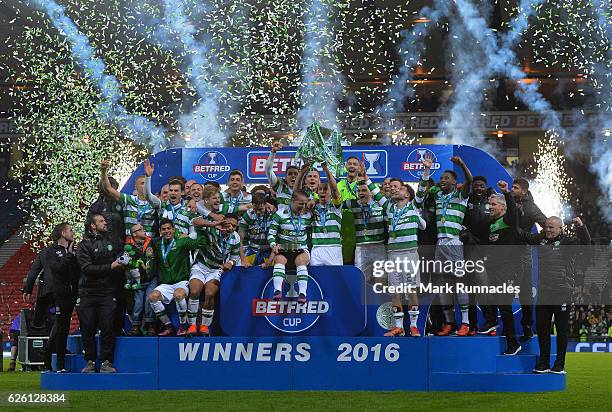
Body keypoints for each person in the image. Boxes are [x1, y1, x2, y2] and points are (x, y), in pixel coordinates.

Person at [364, 165, 427, 337]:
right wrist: (366, 177)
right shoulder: (389, 208)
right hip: (393, 254)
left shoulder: (414, 206)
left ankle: (413, 326)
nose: (395, 190)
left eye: (399, 188)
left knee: (412, 289)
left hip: (410, 253)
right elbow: (376, 194)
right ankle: (399, 326)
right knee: (395, 290)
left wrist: (426, 170)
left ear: (407, 194)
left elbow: (421, 189)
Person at [528, 217, 591, 374]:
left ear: (560, 229)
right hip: (543, 293)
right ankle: (543, 363)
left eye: (551, 227)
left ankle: (559, 364)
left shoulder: (568, 243)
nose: (548, 230)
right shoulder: (540, 240)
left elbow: (586, 244)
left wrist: (581, 227)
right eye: (546, 227)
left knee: (561, 330)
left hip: (562, 292)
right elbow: (524, 236)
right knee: (542, 329)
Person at [423, 155, 473, 336]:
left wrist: (462, 164)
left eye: (447, 178)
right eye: (441, 178)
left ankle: (465, 323)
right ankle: (449, 322)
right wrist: (427, 169)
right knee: (442, 284)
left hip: (453, 242)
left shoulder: (461, 195)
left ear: (455, 182)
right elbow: (425, 186)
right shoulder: (437, 194)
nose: (442, 180)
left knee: (459, 282)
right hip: (440, 243)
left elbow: (470, 180)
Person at [76, 213, 127, 373]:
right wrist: (110, 267)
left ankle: (106, 362)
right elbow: (86, 269)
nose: (105, 223)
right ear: (92, 225)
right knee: (87, 328)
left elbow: (121, 256)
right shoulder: (84, 245)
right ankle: (90, 361)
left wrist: (125, 259)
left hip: (107, 291)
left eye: (105, 221)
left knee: (107, 328)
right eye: (101, 221)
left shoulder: (113, 241)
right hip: (87, 292)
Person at [148, 218, 207, 336]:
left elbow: (200, 243)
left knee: (178, 295)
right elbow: (147, 242)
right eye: (163, 229)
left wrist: (199, 231)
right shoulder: (157, 244)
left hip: (181, 281)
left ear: (174, 230)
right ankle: (168, 326)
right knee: (153, 297)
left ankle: (183, 325)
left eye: (169, 228)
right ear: (160, 231)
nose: (166, 231)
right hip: (166, 283)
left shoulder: (182, 241)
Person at [484, 182, 522, 355]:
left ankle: (513, 343)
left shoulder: (508, 221)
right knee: (498, 303)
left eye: (493, 204)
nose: (490, 207)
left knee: (505, 308)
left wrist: (506, 193)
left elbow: (514, 213)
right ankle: (492, 323)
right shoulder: (492, 224)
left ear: (503, 207)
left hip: (507, 271)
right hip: (494, 271)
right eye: (489, 204)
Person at [188, 214, 241, 336]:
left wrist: (230, 263)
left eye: (234, 226)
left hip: (216, 269)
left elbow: (235, 256)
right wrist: (213, 224)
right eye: (229, 224)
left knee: (210, 293)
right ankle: (191, 325)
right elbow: (194, 221)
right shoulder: (212, 228)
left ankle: (205, 326)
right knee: (195, 291)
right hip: (200, 266)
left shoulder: (235, 238)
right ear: (223, 222)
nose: (231, 228)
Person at [512, 177, 547, 338]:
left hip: (523, 253)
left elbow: (547, 224)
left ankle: (527, 325)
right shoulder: (508, 201)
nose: (513, 189)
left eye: (516, 187)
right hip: (503, 252)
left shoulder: (531, 207)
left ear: (524, 191)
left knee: (525, 292)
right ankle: (498, 325)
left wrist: (533, 238)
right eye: (512, 187)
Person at [463, 176, 497, 335]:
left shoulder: (491, 200)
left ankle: (491, 322)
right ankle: (472, 325)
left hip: (487, 251)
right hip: (469, 249)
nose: (478, 188)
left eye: (482, 186)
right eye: (476, 186)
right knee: (471, 290)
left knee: (485, 288)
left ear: (486, 187)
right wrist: (467, 235)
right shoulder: (466, 200)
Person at [44, 223, 80, 372]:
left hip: (77, 293)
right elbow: (57, 269)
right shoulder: (52, 251)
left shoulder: (76, 249)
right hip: (62, 295)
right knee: (62, 328)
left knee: (87, 322)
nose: (73, 233)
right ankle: (58, 363)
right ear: (62, 233)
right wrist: (69, 255)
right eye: (70, 230)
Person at [267, 189, 313, 303]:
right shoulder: (280, 214)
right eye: (300, 203)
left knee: (301, 260)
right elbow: (271, 234)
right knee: (279, 259)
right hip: (284, 248)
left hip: (301, 248)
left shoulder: (308, 215)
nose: (303, 206)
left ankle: (302, 293)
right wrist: (273, 245)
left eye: (305, 203)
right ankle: (277, 291)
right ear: (292, 200)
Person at [342, 179, 386, 282]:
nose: (361, 193)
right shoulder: (352, 204)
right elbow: (336, 203)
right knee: (360, 281)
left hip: (378, 247)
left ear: (370, 192)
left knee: (380, 280)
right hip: (361, 248)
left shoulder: (380, 205)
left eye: (364, 190)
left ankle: (379, 298)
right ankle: (363, 298)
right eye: (359, 191)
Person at [100, 160, 157, 239]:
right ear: (135, 187)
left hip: (149, 244)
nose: (144, 186)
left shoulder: (154, 202)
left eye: (146, 183)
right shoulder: (129, 199)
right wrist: (103, 171)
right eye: (142, 183)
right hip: (131, 244)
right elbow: (108, 189)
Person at [144, 160, 194, 237]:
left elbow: (194, 233)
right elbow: (148, 196)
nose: (173, 193)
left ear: (183, 193)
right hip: (164, 246)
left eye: (176, 190)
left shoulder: (189, 208)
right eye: (171, 190)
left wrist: (188, 237)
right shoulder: (161, 206)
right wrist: (148, 177)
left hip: (182, 247)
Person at [125, 224, 158, 337]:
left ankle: (151, 325)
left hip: (151, 278)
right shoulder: (128, 246)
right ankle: (135, 326)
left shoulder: (152, 242)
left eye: (144, 228)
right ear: (134, 234)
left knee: (149, 301)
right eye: (141, 229)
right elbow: (123, 258)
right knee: (138, 303)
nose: (144, 230)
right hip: (138, 281)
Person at [310, 163, 343, 265]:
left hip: (334, 248)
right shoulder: (312, 206)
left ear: (330, 193)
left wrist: (326, 170)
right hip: (316, 249)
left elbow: (335, 189)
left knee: (335, 279)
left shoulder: (336, 206)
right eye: (320, 189)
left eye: (325, 189)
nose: (323, 192)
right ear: (317, 192)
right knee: (317, 279)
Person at [23, 245, 55, 333]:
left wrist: (28, 290)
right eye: (70, 230)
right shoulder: (71, 250)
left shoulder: (44, 252)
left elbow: (33, 272)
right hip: (66, 291)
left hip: (48, 292)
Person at [239, 192, 274, 267]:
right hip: (253, 250)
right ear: (252, 205)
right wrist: (243, 258)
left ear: (265, 204)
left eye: (260, 209)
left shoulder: (272, 215)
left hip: (270, 251)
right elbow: (240, 239)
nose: (258, 212)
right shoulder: (248, 215)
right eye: (255, 209)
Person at [87, 176, 125, 244]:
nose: (115, 191)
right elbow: (88, 227)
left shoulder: (121, 204)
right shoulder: (96, 207)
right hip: (100, 245)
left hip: (119, 244)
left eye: (115, 189)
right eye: (113, 188)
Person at [337, 156, 361, 264]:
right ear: (346, 167)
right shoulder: (339, 185)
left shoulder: (364, 185)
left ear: (359, 168)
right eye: (349, 164)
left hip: (359, 224)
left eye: (355, 164)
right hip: (343, 225)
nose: (352, 166)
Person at [265, 141, 300, 210]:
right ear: (285, 178)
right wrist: (273, 152)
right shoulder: (280, 187)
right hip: (282, 220)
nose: (293, 176)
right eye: (290, 174)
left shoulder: (303, 190)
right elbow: (268, 170)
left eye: (296, 174)